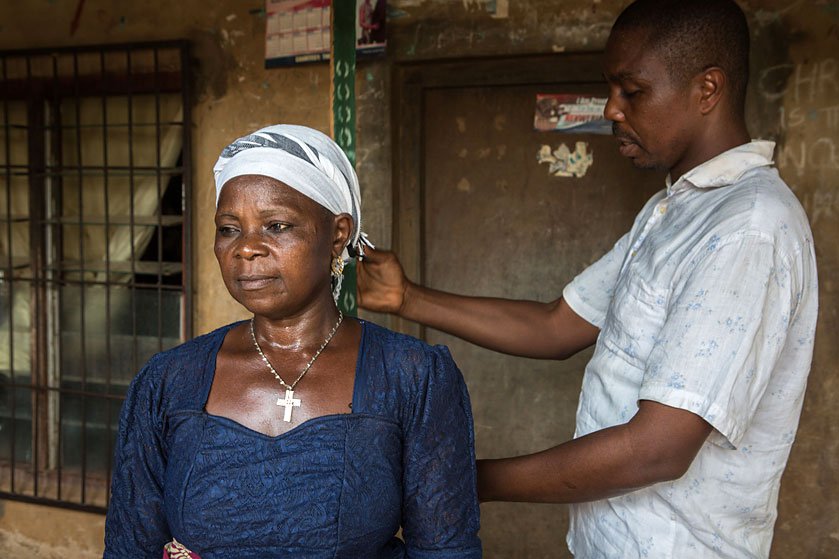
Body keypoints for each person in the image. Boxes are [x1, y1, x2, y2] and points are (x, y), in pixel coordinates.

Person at [357, 1, 818, 557]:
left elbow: (658, 449)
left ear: (708, 90)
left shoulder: (749, 228)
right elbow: (556, 326)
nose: (611, 109)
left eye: (632, 90)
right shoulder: (672, 213)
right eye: (610, 89)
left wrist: (463, 478)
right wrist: (405, 298)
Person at [103, 125, 482, 558]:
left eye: (276, 225)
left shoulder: (413, 377)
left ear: (338, 234)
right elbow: (130, 545)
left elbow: (445, 549)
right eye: (228, 229)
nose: (246, 249)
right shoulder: (169, 381)